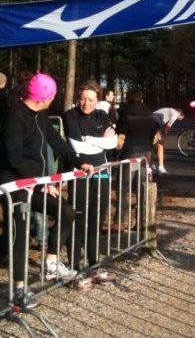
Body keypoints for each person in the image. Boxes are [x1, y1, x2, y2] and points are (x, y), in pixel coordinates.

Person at [0, 72, 94, 309]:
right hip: (15, 186)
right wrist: (40, 183)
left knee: (66, 212)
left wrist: (79, 161)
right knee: (20, 236)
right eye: (53, 96)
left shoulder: (41, 114)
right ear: (44, 97)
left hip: (34, 184)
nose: (53, 100)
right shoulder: (15, 117)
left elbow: (56, 140)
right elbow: (14, 156)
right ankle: (18, 290)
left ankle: (50, 262)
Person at [63, 83, 117, 288]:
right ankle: (75, 268)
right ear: (78, 97)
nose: (86, 103)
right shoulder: (70, 116)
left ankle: (94, 264)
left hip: (101, 173)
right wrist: (99, 140)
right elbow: (76, 146)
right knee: (78, 218)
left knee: (97, 218)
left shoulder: (103, 116)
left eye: (91, 100)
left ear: (98, 101)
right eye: (83, 98)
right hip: (79, 173)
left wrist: (90, 140)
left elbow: (112, 143)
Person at [114, 89, 158, 230]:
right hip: (145, 154)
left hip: (129, 153)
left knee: (123, 189)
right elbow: (155, 134)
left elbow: (120, 134)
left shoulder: (126, 113)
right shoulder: (150, 113)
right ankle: (142, 222)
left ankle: (119, 222)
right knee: (143, 189)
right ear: (142, 99)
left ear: (128, 99)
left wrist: (116, 152)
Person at [152, 107, 185, 175]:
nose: (179, 120)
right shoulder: (175, 113)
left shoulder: (169, 110)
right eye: (181, 118)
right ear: (181, 114)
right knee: (160, 144)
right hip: (155, 122)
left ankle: (151, 165)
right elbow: (168, 126)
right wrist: (163, 137)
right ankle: (161, 168)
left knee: (153, 145)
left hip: (150, 120)